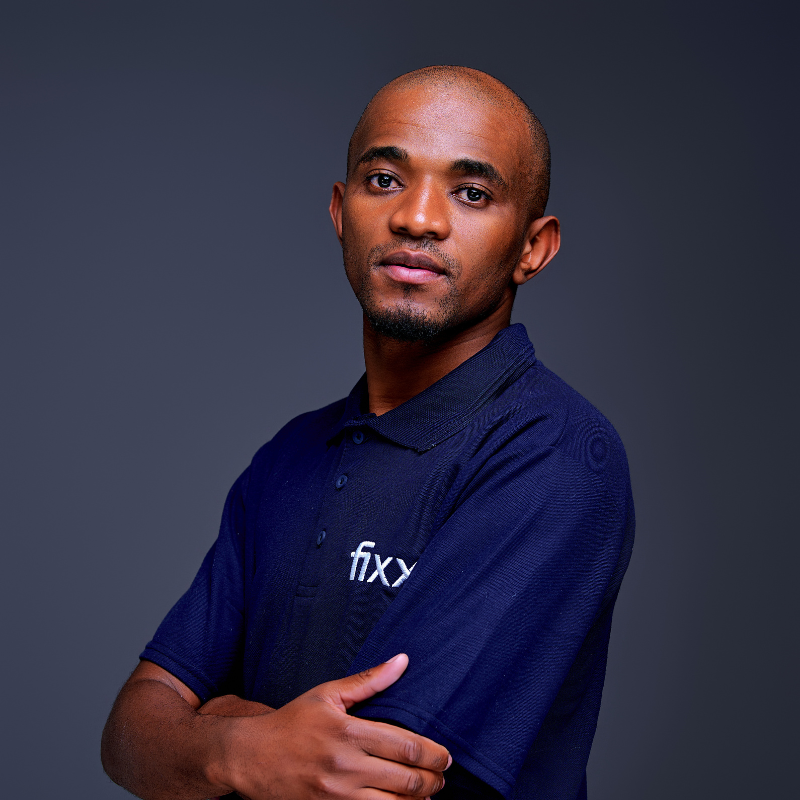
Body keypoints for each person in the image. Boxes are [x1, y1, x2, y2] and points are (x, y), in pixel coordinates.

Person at [101, 65, 634, 800]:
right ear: (340, 210)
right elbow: (129, 733)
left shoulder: (557, 455)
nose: (418, 218)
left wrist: (212, 725)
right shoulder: (288, 458)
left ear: (532, 248)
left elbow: (379, 782)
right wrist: (243, 749)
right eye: (384, 180)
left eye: (471, 193)